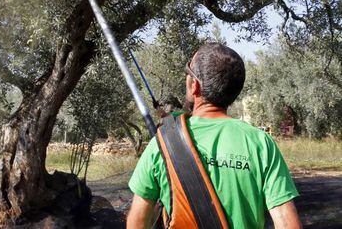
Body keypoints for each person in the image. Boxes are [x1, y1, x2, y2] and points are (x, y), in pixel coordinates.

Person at [127, 43, 301, 229]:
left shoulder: (162, 144)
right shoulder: (260, 143)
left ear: (194, 85)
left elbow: (138, 221)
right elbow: (288, 223)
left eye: (188, 71)